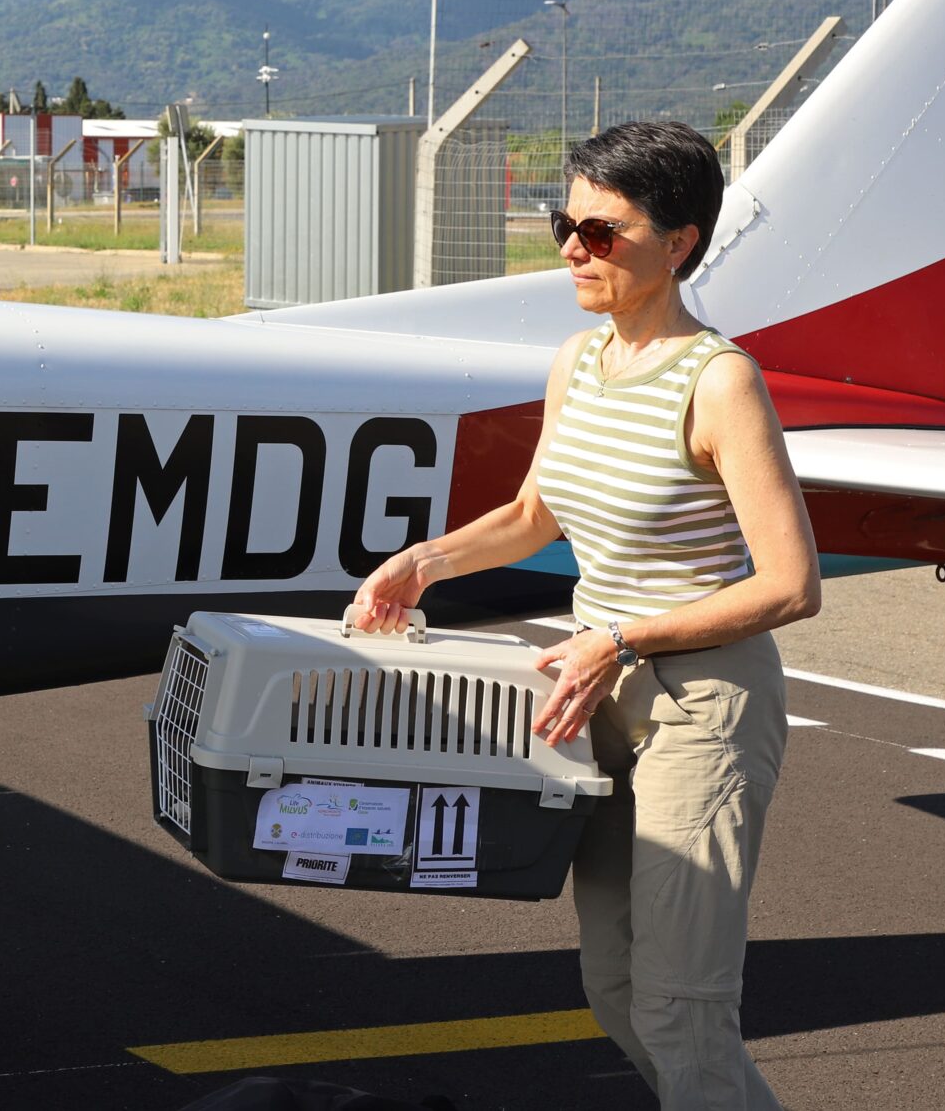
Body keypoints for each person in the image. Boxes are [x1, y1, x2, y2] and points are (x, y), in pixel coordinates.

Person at [351, 119, 820, 1110]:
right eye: (564, 222)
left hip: (701, 705)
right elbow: (533, 515)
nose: (571, 248)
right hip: (595, 697)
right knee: (612, 987)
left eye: (602, 232)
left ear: (680, 241)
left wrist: (621, 637)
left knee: (681, 1011)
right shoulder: (580, 361)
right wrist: (419, 564)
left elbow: (788, 584)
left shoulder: (719, 381)